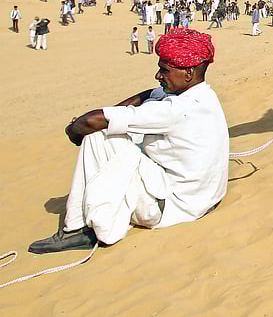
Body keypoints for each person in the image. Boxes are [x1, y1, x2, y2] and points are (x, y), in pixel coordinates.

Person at [28, 29, 229, 254]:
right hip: (199, 198)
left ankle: (75, 228)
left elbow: (93, 121)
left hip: (172, 207)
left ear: (189, 73)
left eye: (164, 70)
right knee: (121, 133)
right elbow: (148, 94)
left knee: (98, 136)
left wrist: (74, 130)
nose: (158, 76)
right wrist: (118, 111)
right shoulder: (203, 96)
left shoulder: (177, 109)